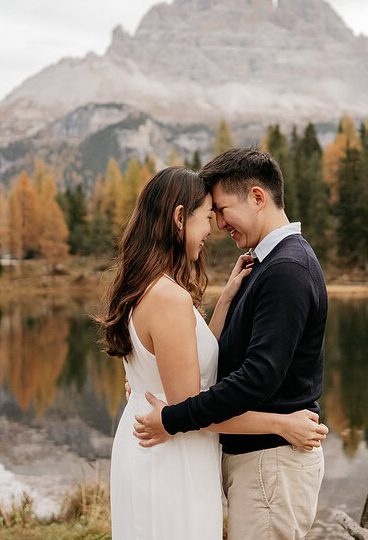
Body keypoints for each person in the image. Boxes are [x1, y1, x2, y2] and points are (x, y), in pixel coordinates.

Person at [99, 165, 327, 539]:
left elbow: (197, 366)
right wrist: (280, 424)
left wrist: (224, 303)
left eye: (219, 212)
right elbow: (190, 404)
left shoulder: (151, 286)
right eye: (208, 215)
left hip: (164, 445)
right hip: (170, 451)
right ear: (179, 218)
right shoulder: (169, 296)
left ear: (257, 197)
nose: (214, 227)